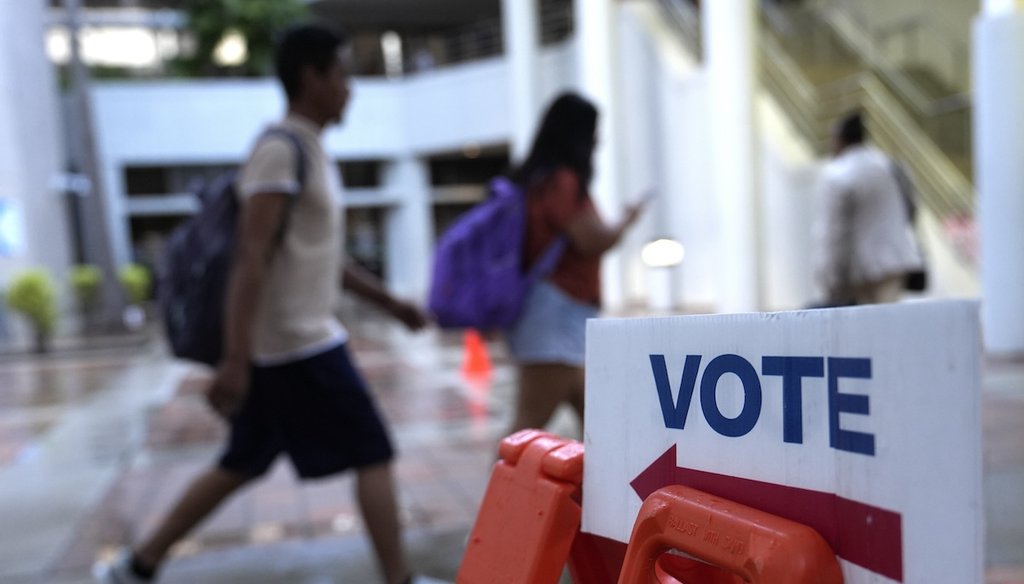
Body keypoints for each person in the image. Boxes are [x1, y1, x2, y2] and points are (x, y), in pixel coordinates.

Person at [94, 23, 443, 584]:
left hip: (284, 345)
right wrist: (235, 359)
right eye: (343, 75)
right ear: (312, 77)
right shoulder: (280, 151)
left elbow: (323, 261)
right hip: (295, 343)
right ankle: (400, 581)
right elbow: (249, 257)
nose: (350, 89)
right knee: (373, 450)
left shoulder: (308, 149)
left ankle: (139, 565)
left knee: (242, 461)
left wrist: (392, 305)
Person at [503, 92, 647, 436]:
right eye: (593, 130)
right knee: (526, 427)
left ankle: (593, 490)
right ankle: (497, 490)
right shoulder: (561, 182)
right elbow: (592, 240)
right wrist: (626, 220)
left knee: (599, 421)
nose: (598, 139)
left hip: (561, 315)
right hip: (556, 315)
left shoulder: (540, 179)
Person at [813, 111, 924, 306]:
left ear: (840, 139)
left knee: (863, 329)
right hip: (895, 263)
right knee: (889, 324)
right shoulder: (889, 165)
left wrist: (831, 277)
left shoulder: (837, 174)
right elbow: (911, 209)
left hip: (860, 270)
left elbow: (834, 232)